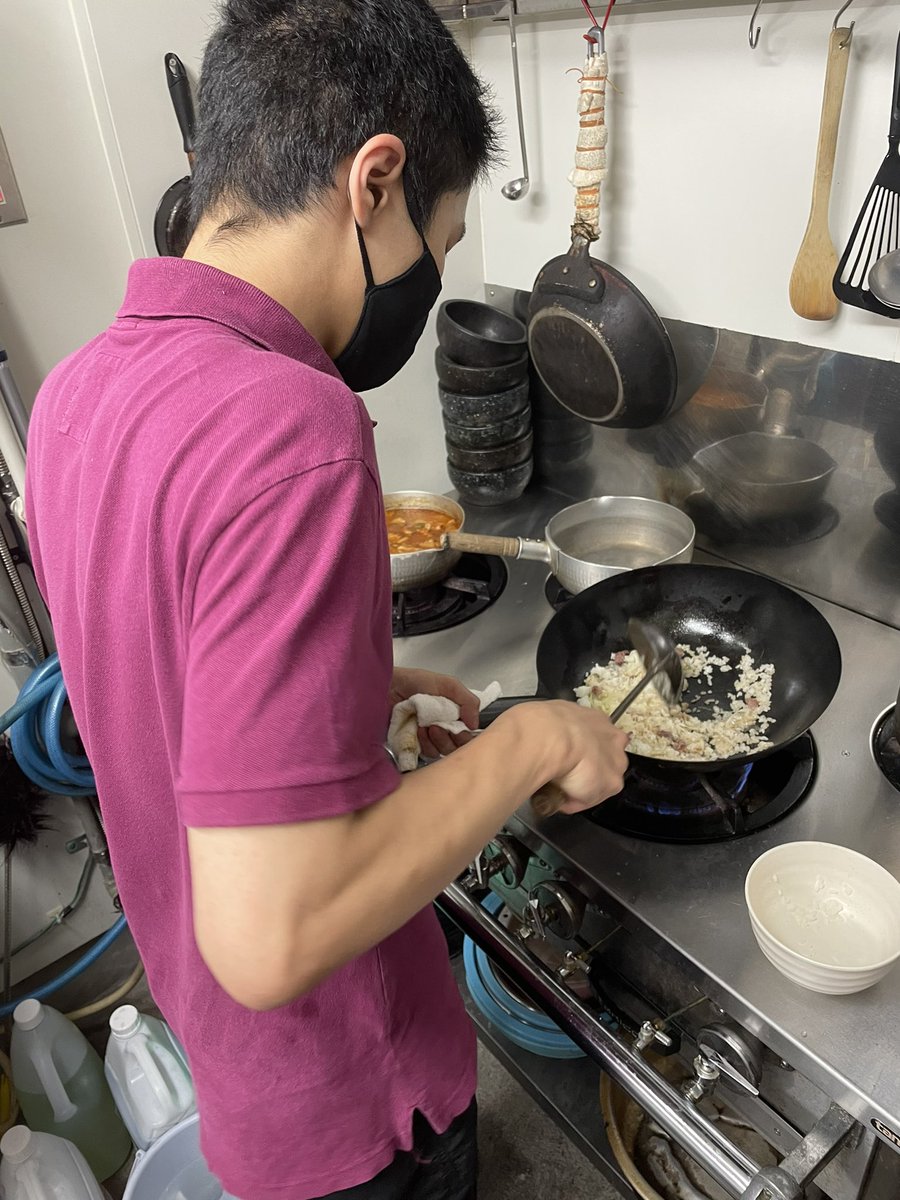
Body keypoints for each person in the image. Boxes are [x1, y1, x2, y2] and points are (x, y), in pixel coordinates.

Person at [24, 1, 630, 1197]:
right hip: (352, 1101)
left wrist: (362, 681)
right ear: (376, 183)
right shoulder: (289, 428)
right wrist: (534, 745)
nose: (433, 280)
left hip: (236, 1075)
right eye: (442, 244)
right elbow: (275, 935)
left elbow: (147, 686)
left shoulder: (81, 392)